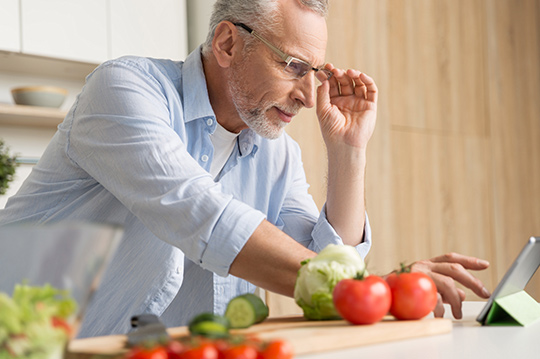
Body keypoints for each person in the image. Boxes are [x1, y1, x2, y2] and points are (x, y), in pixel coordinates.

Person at [0, 0, 490, 337]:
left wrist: (348, 151)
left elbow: (321, 270)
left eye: (315, 74)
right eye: (294, 66)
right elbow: (201, 215)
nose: (306, 94)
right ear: (228, 44)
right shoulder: (126, 90)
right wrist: (378, 288)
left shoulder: (276, 153)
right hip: (28, 343)